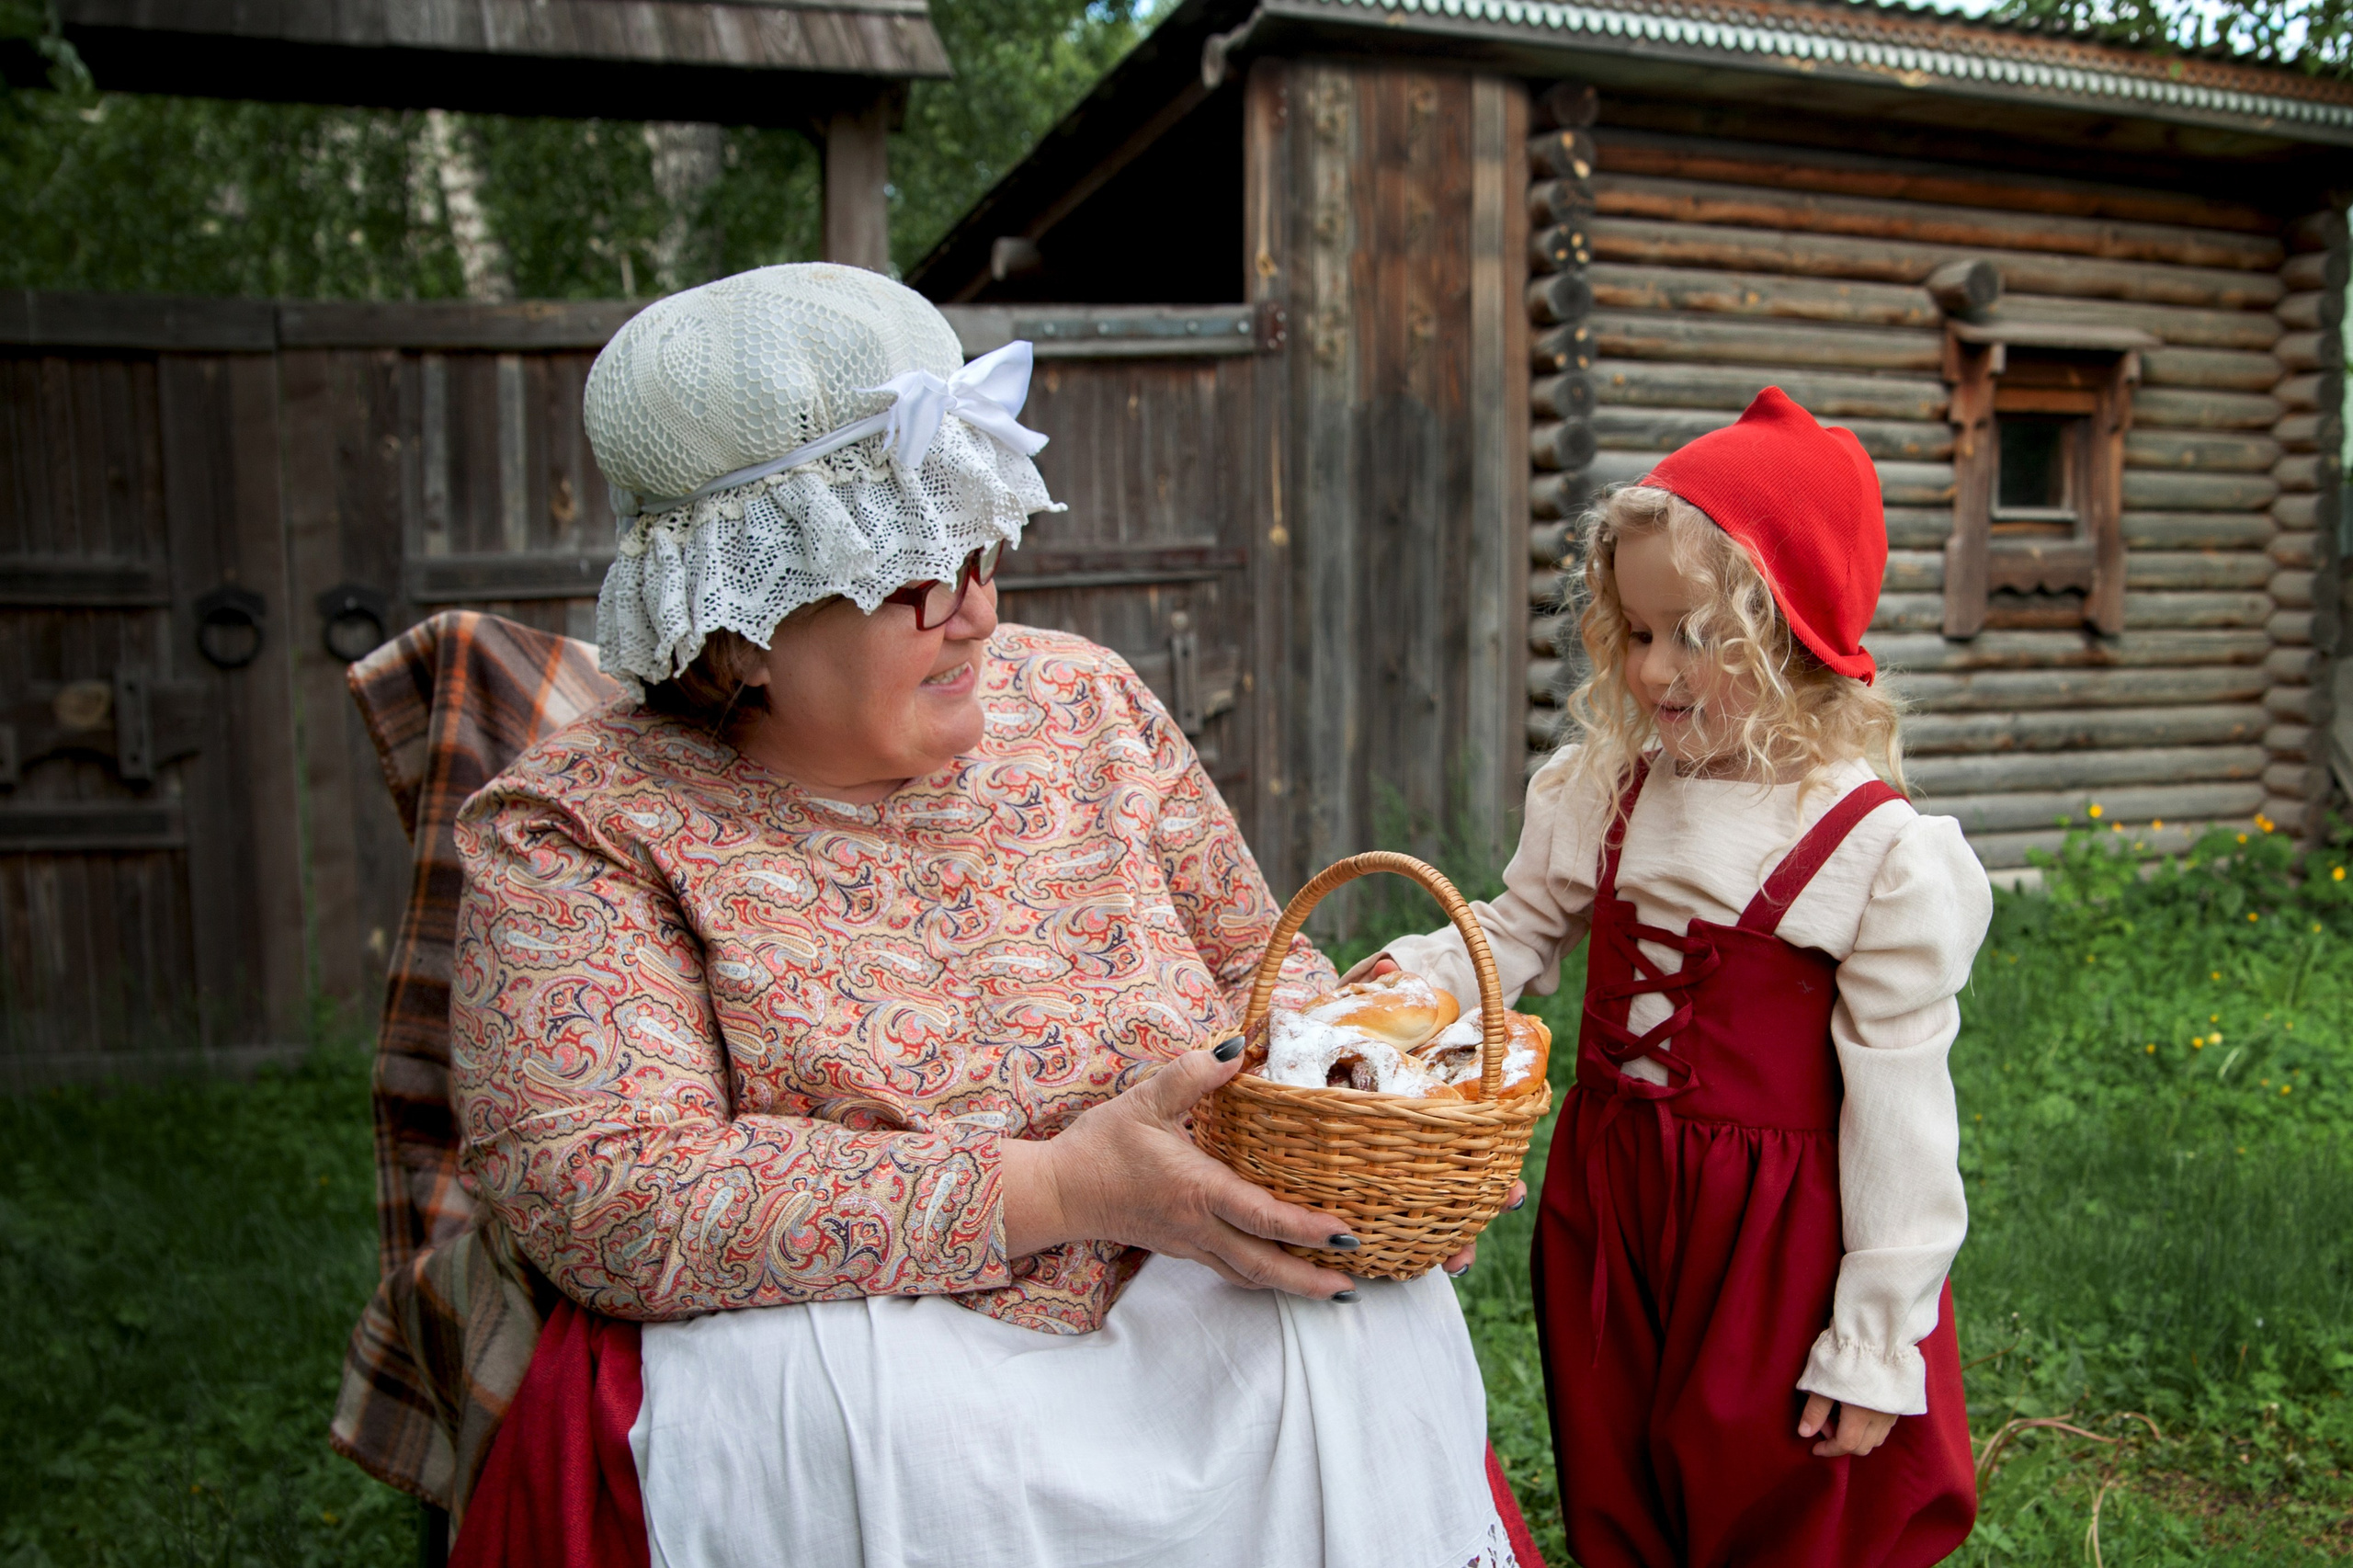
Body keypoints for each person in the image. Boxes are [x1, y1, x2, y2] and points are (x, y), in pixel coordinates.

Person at [447, 264, 1537, 1568]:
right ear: (736, 624)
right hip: (861, 1330)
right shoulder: (585, 821)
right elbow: (610, 1191)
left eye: (982, 542)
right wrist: (1062, 1187)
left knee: (1350, 1331)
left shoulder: (1085, 702)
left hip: (1197, 1268)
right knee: (860, 1438)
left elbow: (1267, 972)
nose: (976, 606)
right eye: (911, 569)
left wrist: (1366, 1120)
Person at [1366, 389, 1986, 1566]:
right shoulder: (1606, 789)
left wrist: (1873, 1332)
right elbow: (1519, 928)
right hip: (1612, 1204)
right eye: (1637, 632)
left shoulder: (1869, 847)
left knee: (1773, 1489)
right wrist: (1411, 986)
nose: (1655, 668)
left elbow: (1905, 1110)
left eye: (1695, 633)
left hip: (1777, 1240)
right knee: (1617, 1469)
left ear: (1792, 630)